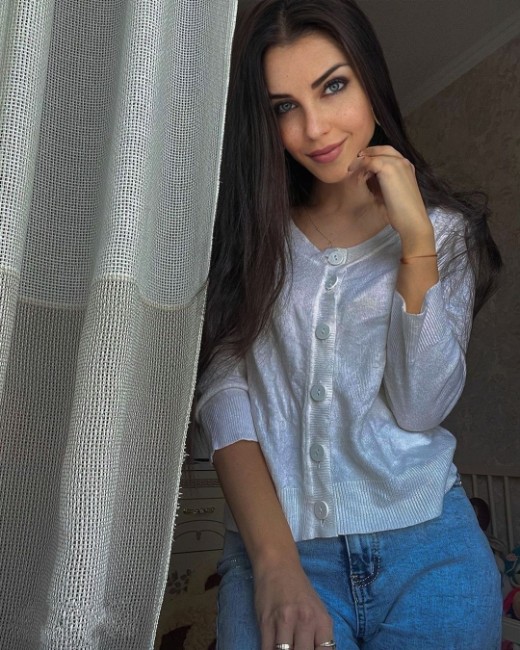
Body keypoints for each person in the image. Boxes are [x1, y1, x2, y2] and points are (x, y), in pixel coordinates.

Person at [194, 1, 503, 648]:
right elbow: (225, 398)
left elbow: (420, 408)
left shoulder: (442, 234)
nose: (314, 128)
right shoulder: (252, 235)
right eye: (284, 106)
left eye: (333, 86)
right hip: (280, 547)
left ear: (370, 80)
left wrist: (416, 242)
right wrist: (274, 563)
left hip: (432, 550)